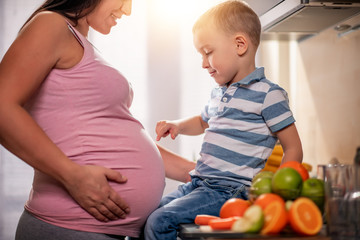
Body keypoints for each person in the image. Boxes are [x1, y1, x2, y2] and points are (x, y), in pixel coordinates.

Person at [0, 0, 195, 239]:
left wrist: (203, 173)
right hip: (69, 228)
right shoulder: (51, 24)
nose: (128, 10)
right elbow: (2, 107)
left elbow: (115, 140)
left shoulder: (79, 42)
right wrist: (72, 176)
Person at [144, 1, 303, 239]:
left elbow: (294, 148)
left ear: (240, 45)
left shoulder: (269, 95)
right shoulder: (220, 92)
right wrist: (177, 125)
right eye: (201, 55)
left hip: (229, 190)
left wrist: (277, 194)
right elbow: (202, 121)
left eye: (208, 52)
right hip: (199, 183)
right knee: (147, 215)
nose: (203, 63)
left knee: (160, 221)